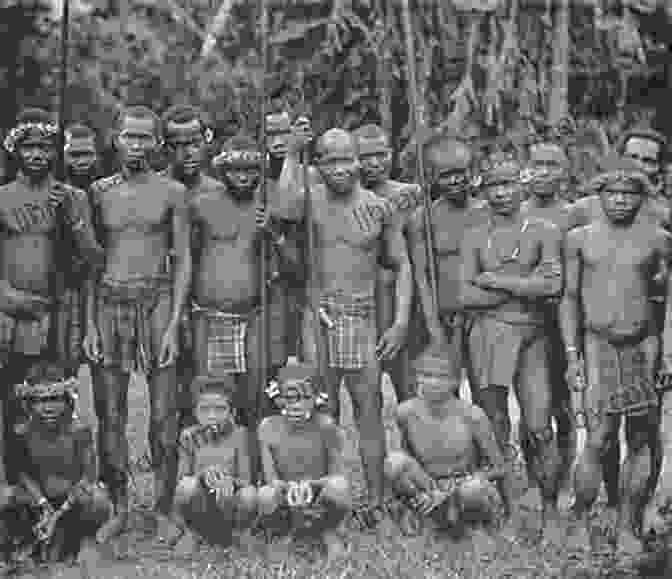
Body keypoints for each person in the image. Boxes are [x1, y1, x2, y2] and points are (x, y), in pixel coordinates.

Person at [275, 126, 413, 529]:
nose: (341, 168)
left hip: (363, 315)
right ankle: (326, 500)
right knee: (323, 410)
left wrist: (401, 321)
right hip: (319, 315)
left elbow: (400, 264)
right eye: (330, 160)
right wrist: (292, 153)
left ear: (359, 160)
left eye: (347, 159)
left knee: (369, 410)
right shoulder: (309, 199)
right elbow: (284, 209)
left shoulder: (377, 206)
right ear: (317, 165)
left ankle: (377, 501)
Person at [83, 105, 191, 540]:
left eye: (147, 137)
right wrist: (91, 324)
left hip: (158, 299)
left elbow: (184, 260)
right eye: (131, 136)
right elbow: (89, 264)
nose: (138, 145)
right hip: (110, 301)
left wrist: (173, 324)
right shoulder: (97, 192)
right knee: (110, 414)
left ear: (157, 143)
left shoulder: (173, 192)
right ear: (117, 138)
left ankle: (163, 508)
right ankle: (119, 505)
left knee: (164, 415)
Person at [560, 156, 671, 557]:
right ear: (599, 195)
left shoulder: (658, 239)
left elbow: (667, 301)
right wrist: (573, 355)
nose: (621, 200)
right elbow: (569, 299)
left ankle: (628, 525)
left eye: (630, 193)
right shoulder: (580, 239)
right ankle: (580, 515)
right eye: (613, 193)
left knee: (640, 439)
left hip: (644, 346)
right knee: (599, 437)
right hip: (597, 345)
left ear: (642, 198)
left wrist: (667, 354)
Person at [459, 157, 563, 542]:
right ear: (483, 191)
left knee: (539, 426)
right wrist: (524, 283)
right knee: (495, 425)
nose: (501, 192)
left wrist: (497, 281)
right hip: (488, 334)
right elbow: (465, 293)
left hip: (534, 336)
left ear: (521, 184)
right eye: (492, 186)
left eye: (507, 184)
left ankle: (550, 509)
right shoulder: (474, 233)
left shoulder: (544, 230)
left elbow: (552, 285)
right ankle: (505, 506)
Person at [0, 108, 103, 483]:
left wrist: (74, 219)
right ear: (16, 150)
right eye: (29, 147)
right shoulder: (3, 198)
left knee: (56, 406)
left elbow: (94, 260)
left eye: (44, 147)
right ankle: (18, 493)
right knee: (14, 408)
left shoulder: (72, 196)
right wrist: (7, 296)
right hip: (11, 319)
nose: (37, 154)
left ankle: (61, 493)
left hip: (59, 317)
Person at [193, 134, 296, 483]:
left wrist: (274, 235)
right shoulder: (202, 204)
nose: (243, 177)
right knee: (216, 404)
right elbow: (184, 261)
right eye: (235, 170)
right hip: (211, 316)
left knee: (256, 403)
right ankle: (214, 482)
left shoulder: (271, 202)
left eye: (251, 170)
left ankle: (255, 480)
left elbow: (295, 268)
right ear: (223, 170)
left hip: (255, 316)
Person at [385, 349, 504, 539]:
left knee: (472, 489)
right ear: (417, 378)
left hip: (464, 485)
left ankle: (473, 525)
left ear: (455, 381)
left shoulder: (472, 415)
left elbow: (500, 468)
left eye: (441, 376)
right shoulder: (405, 413)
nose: (433, 382)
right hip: (430, 486)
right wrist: (418, 492)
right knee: (394, 462)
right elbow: (405, 462)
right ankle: (423, 515)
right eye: (426, 375)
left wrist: (455, 490)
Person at [3, 361, 111, 564]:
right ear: (29, 403)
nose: (48, 408)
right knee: (6, 496)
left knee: (98, 499)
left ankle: (85, 540)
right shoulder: (21, 433)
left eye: (55, 399)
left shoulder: (80, 431)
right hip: (37, 501)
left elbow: (89, 477)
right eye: (41, 401)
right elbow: (21, 474)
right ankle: (21, 540)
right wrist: (42, 504)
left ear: (67, 400)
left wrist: (59, 513)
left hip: (73, 502)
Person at [520, 140, 579, 509]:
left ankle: (564, 479)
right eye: (536, 164)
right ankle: (531, 479)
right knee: (531, 406)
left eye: (551, 165)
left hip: (564, 323)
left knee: (563, 406)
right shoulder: (514, 211)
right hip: (526, 320)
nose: (543, 172)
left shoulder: (575, 215)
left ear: (564, 172)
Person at [407, 133, 488, 390]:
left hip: (484, 317)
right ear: (432, 177)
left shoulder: (488, 213)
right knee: (445, 395)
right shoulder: (423, 219)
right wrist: (434, 328)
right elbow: (421, 277)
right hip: (444, 317)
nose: (454, 180)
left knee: (486, 395)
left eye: (460, 172)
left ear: (471, 171)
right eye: (445, 175)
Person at [160, 105, 219, 431]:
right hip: (167, 304)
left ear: (207, 139)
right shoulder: (157, 190)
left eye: (194, 141)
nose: (187, 152)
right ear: (165, 147)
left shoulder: (221, 190)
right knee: (171, 398)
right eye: (177, 145)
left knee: (212, 391)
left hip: (211, 307)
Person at [353, 123, 420, 403]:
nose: (374, 163)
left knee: (409, 385)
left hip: (399, 295)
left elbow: (412, 258)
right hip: (357, 297)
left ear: (391, 154)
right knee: (367, 392)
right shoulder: (338, 195)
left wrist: (403, 320)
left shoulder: (408, 194)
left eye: (381, 154)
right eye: (365, 156)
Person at [257, 362, 351, 560]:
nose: (296, 405)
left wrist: (312, 485)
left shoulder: (326, 425)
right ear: (278, 398)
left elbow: (338, 474)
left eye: (304, 398)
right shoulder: (267, 427)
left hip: (319, 494)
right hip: (286, 494)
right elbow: (270, 479)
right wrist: (288, 488)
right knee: (266, 495)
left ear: (317, 398)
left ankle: (328, 530)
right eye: (290, 398)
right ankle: (282, 534)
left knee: (339, 487)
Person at [168, 375, 257, 555]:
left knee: (249, 495)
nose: (212, 416)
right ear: (195, 412)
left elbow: (247, 480)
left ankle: (238, 533)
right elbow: (182, 480)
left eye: (220, 409)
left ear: (232, 412)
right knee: (186, 487)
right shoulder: (189, 436)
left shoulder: (240, 435)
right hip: (200, 502)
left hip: (229, 500)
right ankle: (192, 532)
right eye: (205, 410)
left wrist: (229, 481)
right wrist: (203, 476)